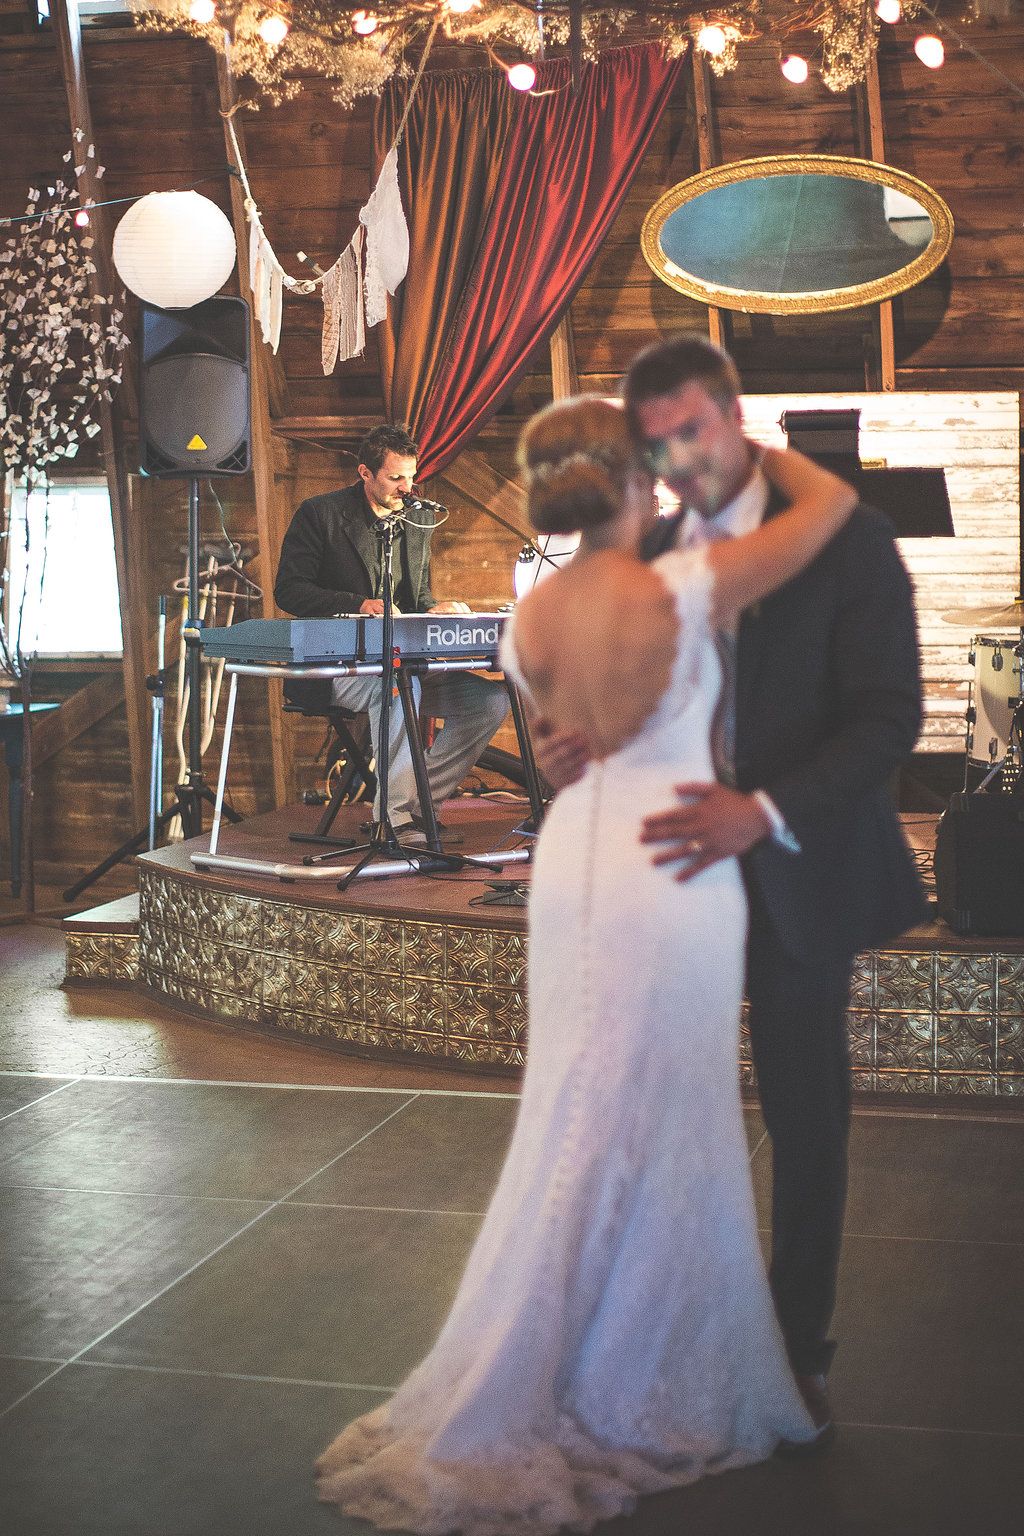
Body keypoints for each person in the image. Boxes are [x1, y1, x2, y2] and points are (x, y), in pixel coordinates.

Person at [316, 395, 860, 1533]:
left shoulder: (532, 613)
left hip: (573, 860)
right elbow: (829, 505)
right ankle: (638, 1363)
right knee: (669, 1111)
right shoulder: (683, 587)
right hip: (672, 861)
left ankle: (549, 1349)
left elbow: (570, 744)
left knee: (577, 1104)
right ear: (633, 481)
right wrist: (741, 450)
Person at [536, 335, 928, 1446]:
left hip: (796, 864)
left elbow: (889, 718)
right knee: (658, 1111)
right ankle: (653, 1333)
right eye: (656, 443)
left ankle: (795, 1351)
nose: (678, 460)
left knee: (805, 1121)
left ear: (733, 414)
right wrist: (577, 747)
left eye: (692, 431)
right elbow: (625, 706)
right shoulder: (652, 549)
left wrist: (760, 811)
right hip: (670, 875)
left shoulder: (847, 540)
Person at [274, 424, 509, 835]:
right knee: (399, 687)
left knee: (490, 701)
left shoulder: (417, 519)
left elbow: (416, 599)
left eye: (411, 476)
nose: (407, 487)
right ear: (365, 473)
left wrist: (435, 609)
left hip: (403, 664)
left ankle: (419, 803)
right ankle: (393, 821)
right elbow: (289, 591)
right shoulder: (320, 514)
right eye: (395, 477)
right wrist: (357, 604)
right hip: (338, 668)